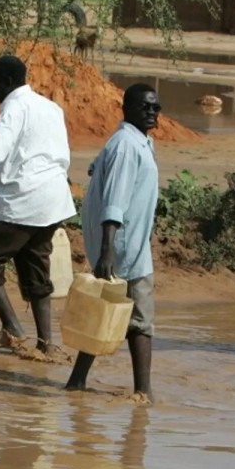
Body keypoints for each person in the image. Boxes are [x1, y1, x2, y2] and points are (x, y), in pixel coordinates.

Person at [0, 55, 76, 356]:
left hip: (24, 200)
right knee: (34, 266)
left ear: (8, 81)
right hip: (52, 201)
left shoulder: (14, 106)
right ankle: (46, 345)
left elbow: (0, 142)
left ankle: (12, 328)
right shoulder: (51, 108)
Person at [65, 83, 161, 401]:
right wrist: (106, 251)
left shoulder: (139, 142)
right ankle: (143, 393)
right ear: (127, 109)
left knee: (102, 313)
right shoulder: (126, 145)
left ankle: (77, 381)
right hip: (124, 248)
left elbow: (97, 170)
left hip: (131, 244)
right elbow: (114, 202)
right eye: (145, 106)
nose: (151, 112)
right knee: (141, 323)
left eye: (155, 107)